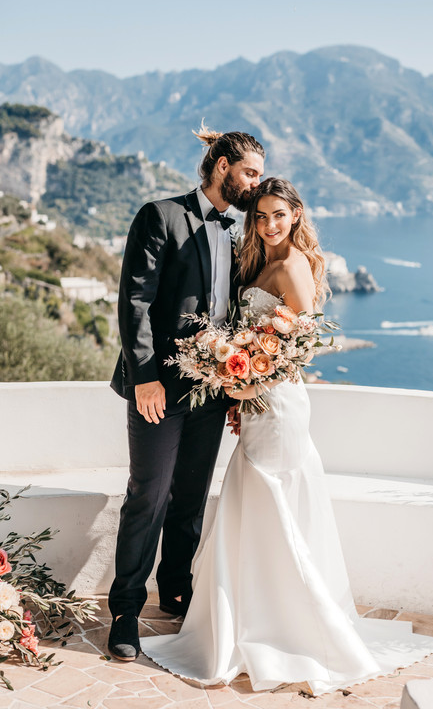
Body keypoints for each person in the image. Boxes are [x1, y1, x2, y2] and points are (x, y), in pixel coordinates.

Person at [140, 178, 433, 696]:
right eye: (260, 216)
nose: (269, 224)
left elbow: (301, 347)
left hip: (279, 404)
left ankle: (286, 627)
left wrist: (248, 379)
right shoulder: (255, 262)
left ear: (297, 215)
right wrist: (238, 389)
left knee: (271, 501)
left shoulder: (294, 265)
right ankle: (252, 619)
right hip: (255, 401)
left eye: (279, 214)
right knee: (252, 503)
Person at [107, 124, 265, 662]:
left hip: (214, 389)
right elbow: (135, 302)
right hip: (159, 386)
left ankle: (175, 592)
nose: (255, 182)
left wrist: (241, 386)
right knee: (147, 494)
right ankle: (125, 609)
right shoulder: (160, 215)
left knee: (191, 496)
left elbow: (240, 311)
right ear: (222, 166)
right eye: (249, 171)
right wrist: (145, 376)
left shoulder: (243, 232)